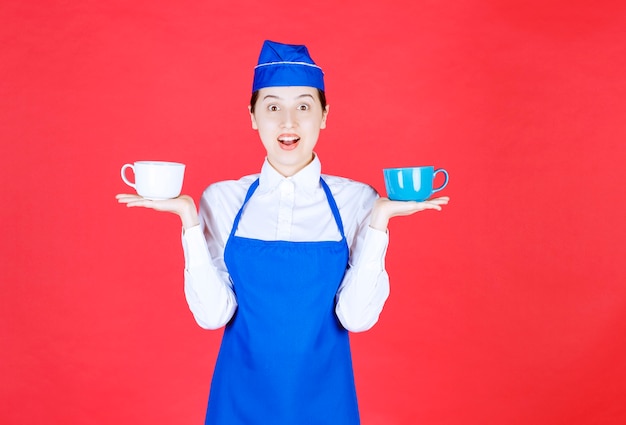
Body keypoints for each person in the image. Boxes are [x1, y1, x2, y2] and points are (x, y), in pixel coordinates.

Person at [116, 40, 449, 425]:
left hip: (327, 402)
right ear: (253, 116)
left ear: (324, 115)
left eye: (304, 106)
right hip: (238, 400)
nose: (288, 122)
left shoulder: (358, 201)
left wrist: (380, 223)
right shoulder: (222, 199)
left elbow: (356, 318)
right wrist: (189, 220)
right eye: (272, 107)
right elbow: (212, 316)